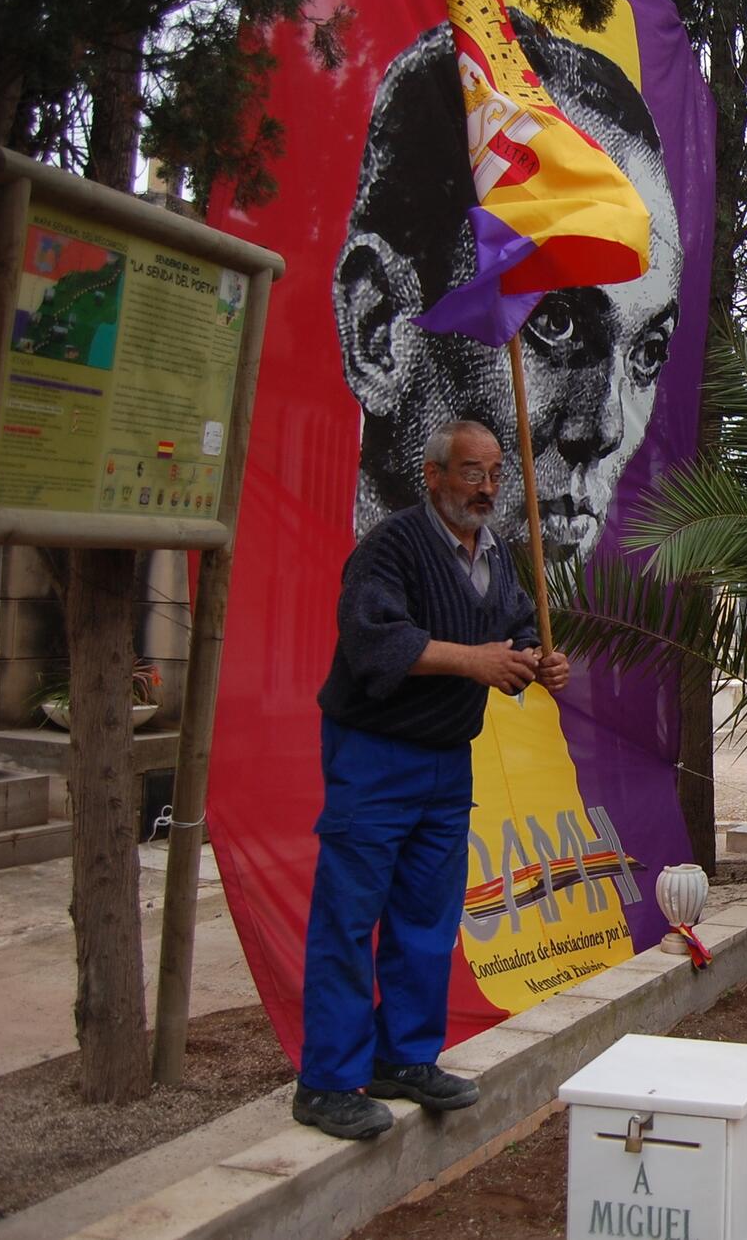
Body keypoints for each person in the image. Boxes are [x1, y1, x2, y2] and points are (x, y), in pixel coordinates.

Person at [294, 419, 572, 1140]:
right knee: (350, 918)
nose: (484, 488)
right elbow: (373, 639)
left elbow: (511, 630)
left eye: (493, 474)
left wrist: (536, 661)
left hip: (449, 758)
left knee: (428, 917)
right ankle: (327, 1081)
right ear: (434, 476)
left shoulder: (498, 554)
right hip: (374, 753)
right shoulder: (391, 546)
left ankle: (407, 1057)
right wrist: (474, 661)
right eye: (470, 473)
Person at [335, 9, 684, 562]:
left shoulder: (495, 586)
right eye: (555, 322)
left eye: (647, 352)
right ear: (378, 328)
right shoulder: (378, 590)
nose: (605, 427)